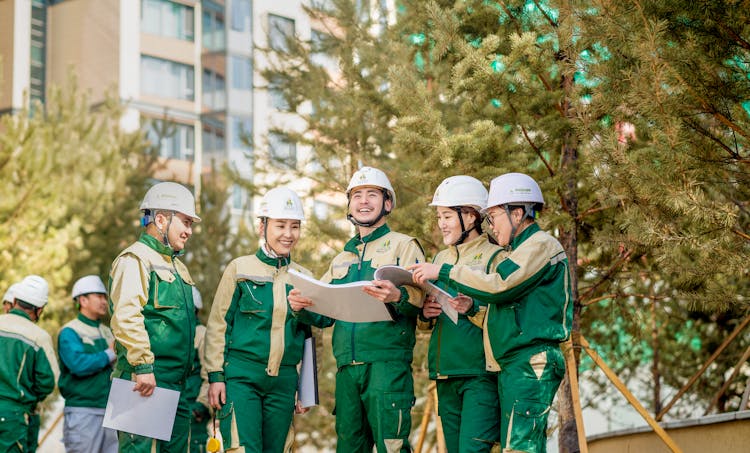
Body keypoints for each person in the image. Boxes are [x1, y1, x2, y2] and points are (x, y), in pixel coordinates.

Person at [410, 173, 573, 453]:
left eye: (494, 215)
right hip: (514, 361)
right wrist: (470, 308)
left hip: (528, 359)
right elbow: (504, 307)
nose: (492, 225)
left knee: (521, 447)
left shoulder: (539, 246)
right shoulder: (522, 250)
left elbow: (500, 286)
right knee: (516, 446)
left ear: (518, 213)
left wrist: (446, 271)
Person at [288, 166, 425, 453]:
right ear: (349, 205)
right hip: (346, 370)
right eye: (357, 195)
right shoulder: (341, 258)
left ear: (387, 203)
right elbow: (324, 311)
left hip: (386, 366)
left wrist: (397, 295)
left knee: (392, 446)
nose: (364, 201)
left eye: (372, 195)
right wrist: (302, 307)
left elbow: (422, 302)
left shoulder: (403, 246)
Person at [205, 187, 313, 453]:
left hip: (284, 382)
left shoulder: (304, 277)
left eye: (295, 226)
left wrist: (307, 388)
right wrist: (216, 376)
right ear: (262, 226)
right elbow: (219, 325)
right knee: (243, 448)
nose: (288, 234)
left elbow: (311, 339)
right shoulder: (239, 269)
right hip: (242, 378)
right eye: (280, 225)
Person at [108, 181, 201, 452]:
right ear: (161, 219)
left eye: (191, 224)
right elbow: (126, 316)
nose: (189, 231)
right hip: (145, 380)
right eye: (184, 222)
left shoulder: (179, 268)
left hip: (177, 384)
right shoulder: (135, 259)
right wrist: (143, 367)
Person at [419, 176, 505, 452]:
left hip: (480, 375)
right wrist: (426, 313)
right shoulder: (439, 259)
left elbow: (503, 315)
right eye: (439, 216)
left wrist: (473, 308)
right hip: (445, 374)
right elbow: (431, 316)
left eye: (447, 216)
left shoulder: (496, 257)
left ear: (470, 217)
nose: (441, 223)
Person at [57, 275, 118, 453]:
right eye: (98, 296)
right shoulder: (70, 331)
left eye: (105, 297)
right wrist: (109, 353)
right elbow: (78, 364)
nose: (104, 301)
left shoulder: (108, 332)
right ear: (82, 300)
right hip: (83, 412)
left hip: (112, 413)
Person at [0, 275, 59, 452]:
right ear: (40, 309)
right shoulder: (39, 337)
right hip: (13, 416)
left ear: (15, 300)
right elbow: (48, 381)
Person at [186, 286, 210, 453]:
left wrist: (200, 406)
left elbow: (210, 375)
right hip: (171, 407)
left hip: (193, 412)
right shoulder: (170, 335)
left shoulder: (201, 334)